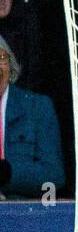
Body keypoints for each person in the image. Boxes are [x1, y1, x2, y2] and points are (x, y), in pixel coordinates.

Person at [0, 33, 64, 199]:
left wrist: (9, 173)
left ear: (11, 65)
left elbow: (54, 178)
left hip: (23, 218)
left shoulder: (37, 107)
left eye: (1, 57)